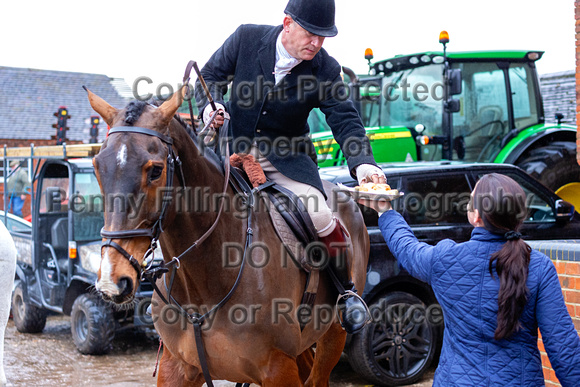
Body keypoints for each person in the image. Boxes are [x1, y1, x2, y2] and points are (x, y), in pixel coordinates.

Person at [194, 0, 386, 333]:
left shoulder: (325, 68)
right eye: (311, 34)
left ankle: (346, 293)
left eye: (323, 37)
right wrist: (211, 108)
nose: (316, 43)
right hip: (231, 150)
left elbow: (345, 120)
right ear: (287, 23)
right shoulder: (246, 39)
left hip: (286, 160)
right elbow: (208, 78)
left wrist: (364, 165)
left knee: (321, 215)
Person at [360, 173, 580, 386]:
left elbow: (408, 248)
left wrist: (384, 210)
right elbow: (563, 347)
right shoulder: (539, 266)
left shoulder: (445, 258)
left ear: (476, 217)